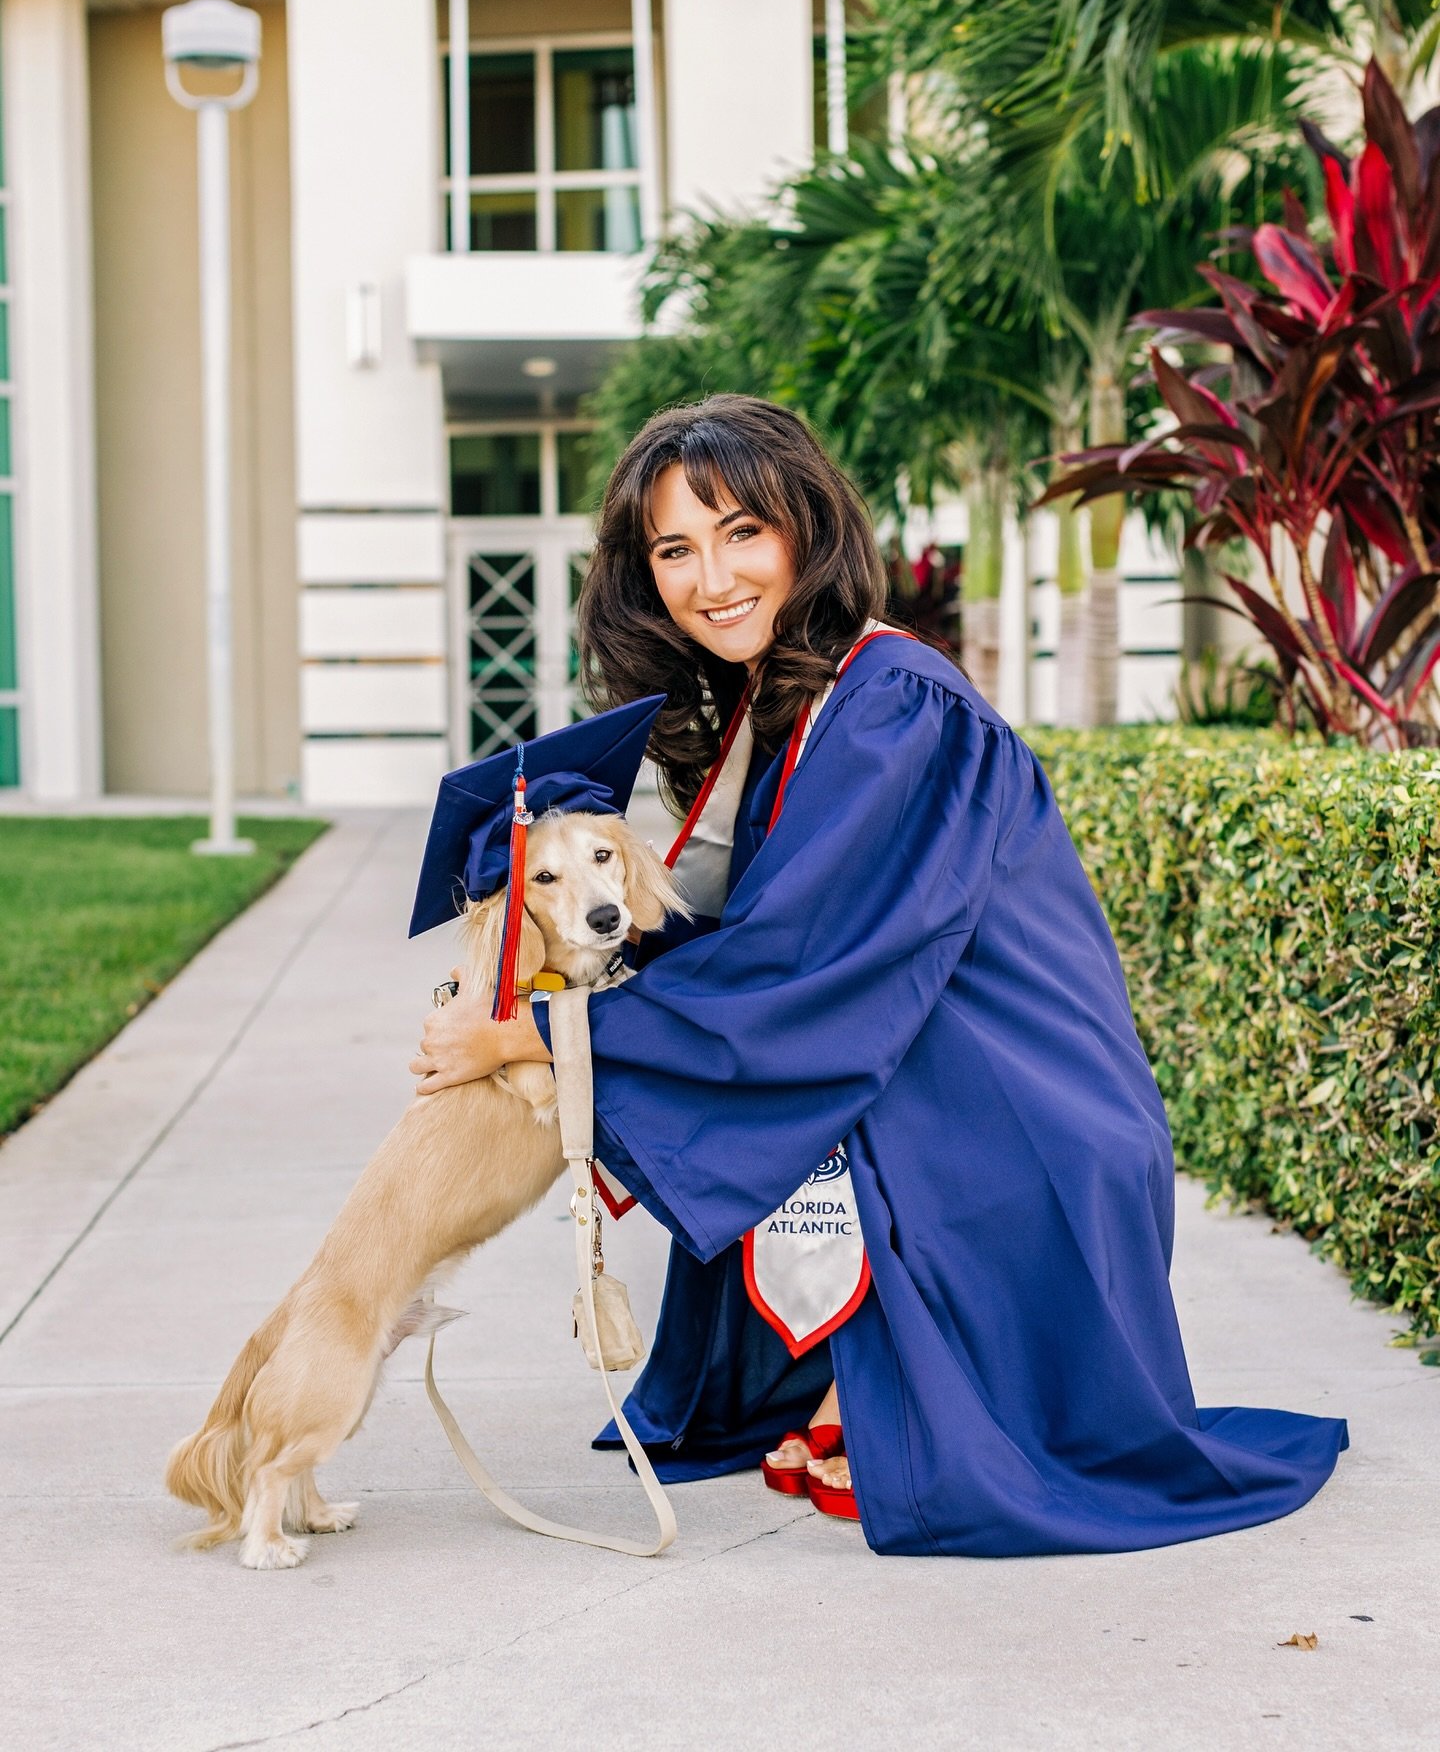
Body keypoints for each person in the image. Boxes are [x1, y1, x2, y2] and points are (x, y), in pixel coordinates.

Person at [411, 394, 1347, 1556]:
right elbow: (765, 944)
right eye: (675, 550)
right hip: (945, 1064)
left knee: (800, 1068)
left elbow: (804, 975)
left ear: (807, 529)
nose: (713, 577)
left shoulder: (892, 705)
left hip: (1026, 1112)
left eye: (742, 531)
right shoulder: (802, 702)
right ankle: (850, 1377)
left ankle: (883, 1385)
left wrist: (532, 1044)